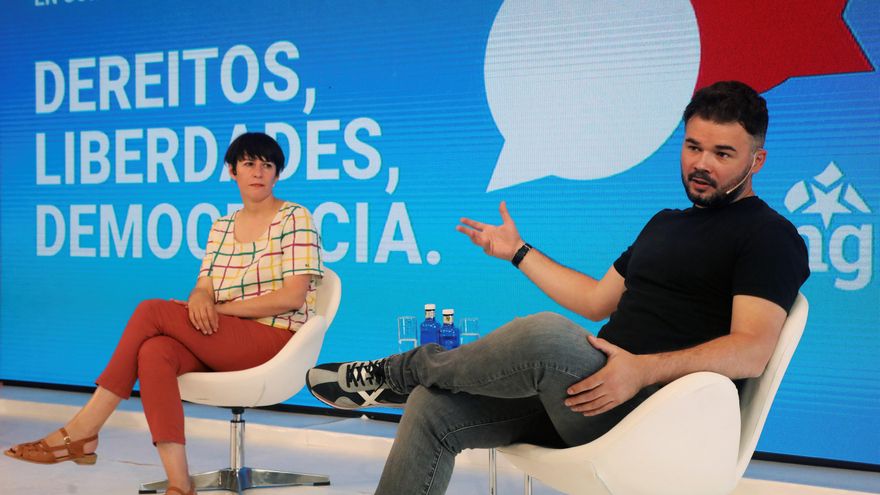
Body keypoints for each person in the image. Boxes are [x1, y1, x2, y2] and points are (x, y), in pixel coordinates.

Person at [305, 81, 810, 494]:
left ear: (756, 161)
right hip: (589, 393)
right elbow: (595, 300)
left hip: (658, 414)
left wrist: (641, 371)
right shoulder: (665, 223)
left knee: (547, 335)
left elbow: (752, 351)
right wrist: (518, 253)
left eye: (723, 153)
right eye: (693, 146)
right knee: (432, 408)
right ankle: (409, 384)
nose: (702, 163)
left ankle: (399, 371)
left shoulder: (769, 236)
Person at [5, 132, 323, 495]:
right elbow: (205, 284)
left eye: (268, 166)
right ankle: (179, 484)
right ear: (232, 171)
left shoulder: (295, 217)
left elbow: (292, 297)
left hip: (272, 339)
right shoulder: (222, 225)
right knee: (153, 352)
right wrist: (200, 297)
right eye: (249, 163)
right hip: (224, 334)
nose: (258, 172)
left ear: (276, 174)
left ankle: (83, 430)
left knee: (151, 310)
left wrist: (218, 309)